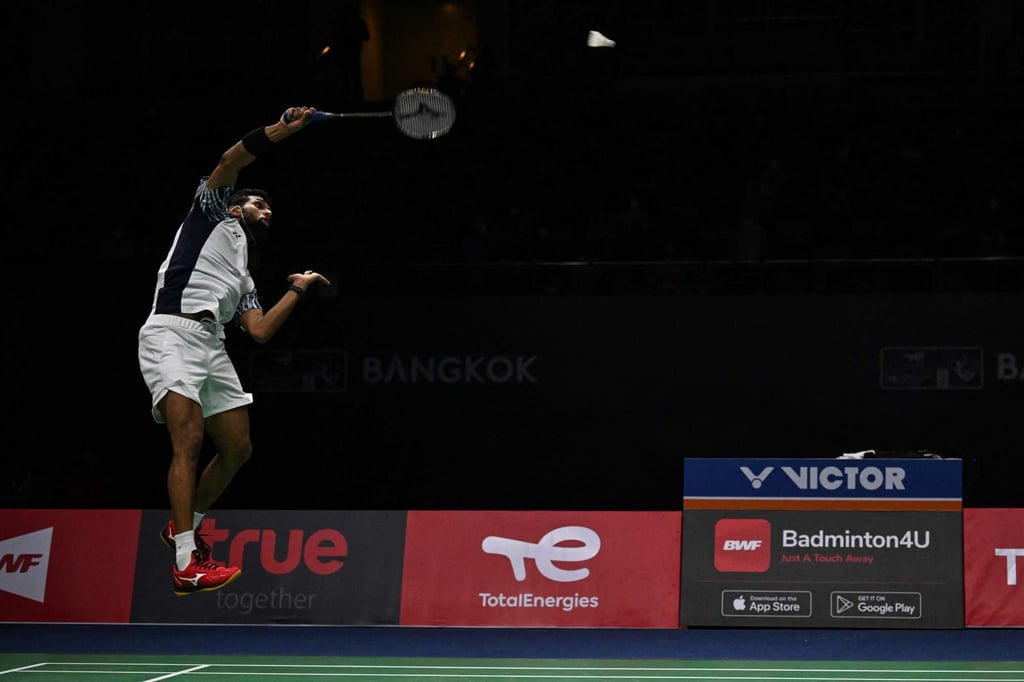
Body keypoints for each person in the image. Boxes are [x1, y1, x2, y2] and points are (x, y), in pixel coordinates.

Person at [138, 106, 331, 595]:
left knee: (238, 447)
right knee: (189, 438)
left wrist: (298, 289)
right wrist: (282, 131)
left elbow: (260, 330)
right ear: (233, 207)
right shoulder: (208, 213)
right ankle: (186, 561)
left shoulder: (242, 273)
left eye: (270, 210)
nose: (266, 212)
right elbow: (231, 161)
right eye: (258, 205)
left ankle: (183, 524)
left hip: (212, 343)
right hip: (172, 333)